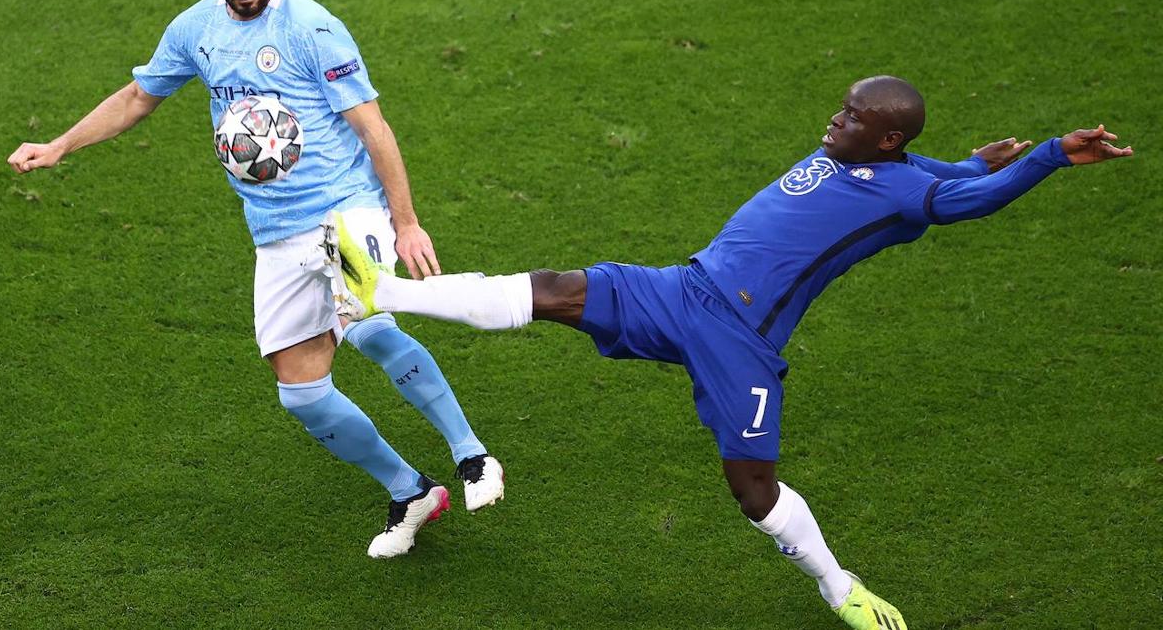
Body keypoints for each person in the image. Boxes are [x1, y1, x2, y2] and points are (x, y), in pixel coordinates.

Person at [330, 75, 1132, 628]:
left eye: (851, 117)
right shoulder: (884, 160)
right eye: (840, 108)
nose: (834, 120)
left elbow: (964, 200)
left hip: (739, 342)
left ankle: (838, 585)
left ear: (882, 137)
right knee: (553, 288)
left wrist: (1049, 156)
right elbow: (941, 173)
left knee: (751, 490)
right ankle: (383, 294)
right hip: (685, 288)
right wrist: (965, 161)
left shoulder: (902, 187)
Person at [6, 0, 504, 559]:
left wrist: (406, 223)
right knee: (303, 396)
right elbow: (137, 97)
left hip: (346, 207)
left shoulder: (312, 28)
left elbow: (373, 128)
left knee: (370, 322)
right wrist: (60, 145)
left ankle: (473, 455)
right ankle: (411, 490)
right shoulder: (195, 31)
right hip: (275, 233)